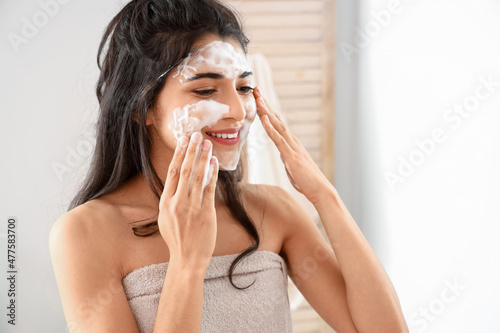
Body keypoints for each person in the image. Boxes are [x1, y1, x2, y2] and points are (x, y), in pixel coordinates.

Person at [49, 0, 409, 332]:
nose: (238, 112)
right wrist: (187, 263)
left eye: (244, 88)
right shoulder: (83, 234)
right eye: (206, 91)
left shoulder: (274, 211)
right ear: (142, 107)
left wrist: (324, 195)